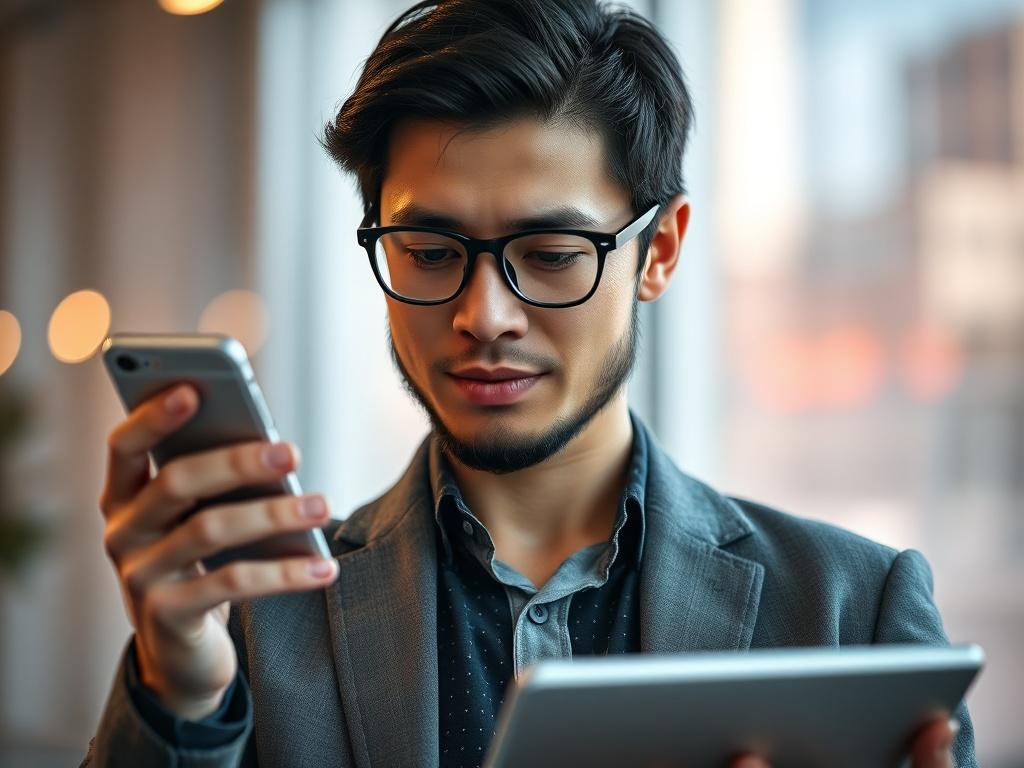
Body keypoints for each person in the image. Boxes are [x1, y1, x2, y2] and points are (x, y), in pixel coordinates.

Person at [81, 0, 977, 766]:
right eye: (429, 253)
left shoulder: (850, 609)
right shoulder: (250, 632)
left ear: (657, 252)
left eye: (550, 255)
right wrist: (181, 701)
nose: (484, 316)